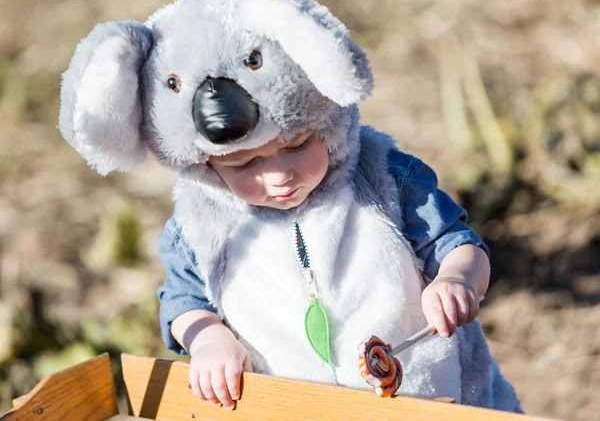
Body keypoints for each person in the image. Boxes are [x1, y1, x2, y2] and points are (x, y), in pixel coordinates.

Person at [157, 127, 521, 411]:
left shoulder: (385, 180)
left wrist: (457, 278)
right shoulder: (198, 228)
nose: (279, 176)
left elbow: (458, 245)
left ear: (328, 123)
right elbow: (182, 301)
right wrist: (207, 339)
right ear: (205, 163)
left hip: (431, 397)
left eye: (297, 145)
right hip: (295, 408)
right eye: (244, 164)